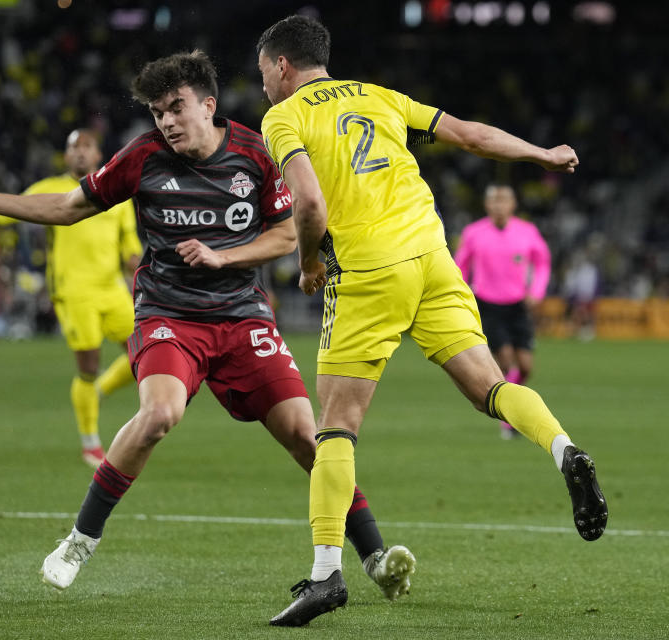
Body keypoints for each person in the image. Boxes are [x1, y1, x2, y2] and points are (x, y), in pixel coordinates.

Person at [0, 51, 414, 603]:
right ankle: (80, 540)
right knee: (160, 413)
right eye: (158, 111)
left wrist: (222, 256)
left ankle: (376, 557)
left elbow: (286, 236)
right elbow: (69, 207)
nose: (166, 121)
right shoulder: (142, 157)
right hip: (170, 315)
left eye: (176, 108)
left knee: (310, 438)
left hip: (242, 317)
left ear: (208, 105)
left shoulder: (257, 153)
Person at [257, 15, 608, 626]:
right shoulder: (378, 95)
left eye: (262, 72)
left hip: (368, 270)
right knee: (491, 387)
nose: (262, 85)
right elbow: (470, 134)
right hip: (432, 255)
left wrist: (310, 262)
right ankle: (564, 449)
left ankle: (324, 577)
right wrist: (541, 154)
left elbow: (309, 202)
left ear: (282, 65)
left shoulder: (283, 118)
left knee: (335, 427)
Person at [0, 128, 143, 468]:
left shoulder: (115, 190)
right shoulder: (49, 189)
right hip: (74, 292)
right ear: (66, 156)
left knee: (144, 354)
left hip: (112, 291)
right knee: (88, 366)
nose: (80, 152)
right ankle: (91, 443)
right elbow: (9, 210)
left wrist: (141, 268)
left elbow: (130, 248)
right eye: (73, 147)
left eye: (87, 147)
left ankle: (100, 391)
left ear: (97, 155)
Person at [453, 184, 551, 439]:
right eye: (494, 201)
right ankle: (510, 420)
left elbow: (542, 263)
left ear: (513, 204)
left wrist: (536, 292)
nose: (499, 205)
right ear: (487, 205)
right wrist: (462, 295)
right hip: (488, 304)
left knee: (526, 366)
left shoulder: (527, 232)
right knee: (506, 360)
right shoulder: (474, 233)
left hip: (517, 305)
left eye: (504, 200)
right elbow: (459, 266)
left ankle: (512, 407)